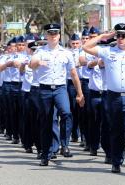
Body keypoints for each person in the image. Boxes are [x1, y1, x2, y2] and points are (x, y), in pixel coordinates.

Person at [82, 23, 125, 173]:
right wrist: (103, 37)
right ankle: (116, 161)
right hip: (113, 98)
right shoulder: (108, 52)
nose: (120, 38)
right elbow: (85, 47)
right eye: (118, 35)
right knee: (116, 130)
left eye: (123, 36)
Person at [30, 23, 84, 166]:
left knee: (66, 113)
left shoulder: (66, 53)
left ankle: (64, 144)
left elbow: (73, 73)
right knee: (46, 122)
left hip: (60, 88)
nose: (53, 36)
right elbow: (32, 64)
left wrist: (80, 93)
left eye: (55, 34)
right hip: (45, 89)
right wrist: (38, 62)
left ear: (59, 36)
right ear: (47, 36)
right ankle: (45, 154)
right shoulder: (40, 51)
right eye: (50, 34)